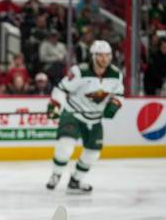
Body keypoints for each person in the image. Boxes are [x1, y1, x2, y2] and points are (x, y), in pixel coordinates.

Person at [45, 40, 124, 193]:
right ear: (93, 56)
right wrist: (55, 105)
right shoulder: (79, 72)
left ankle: (76, 180)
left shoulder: (116, 75)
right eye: (100, 55)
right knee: (65, 146)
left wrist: (114, 105)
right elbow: (61, 89)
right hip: (73, 113)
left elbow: (119, 94)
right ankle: (56, 174)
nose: (104, 59)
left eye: (107, 55)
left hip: (95, 118)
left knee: (93, 153)